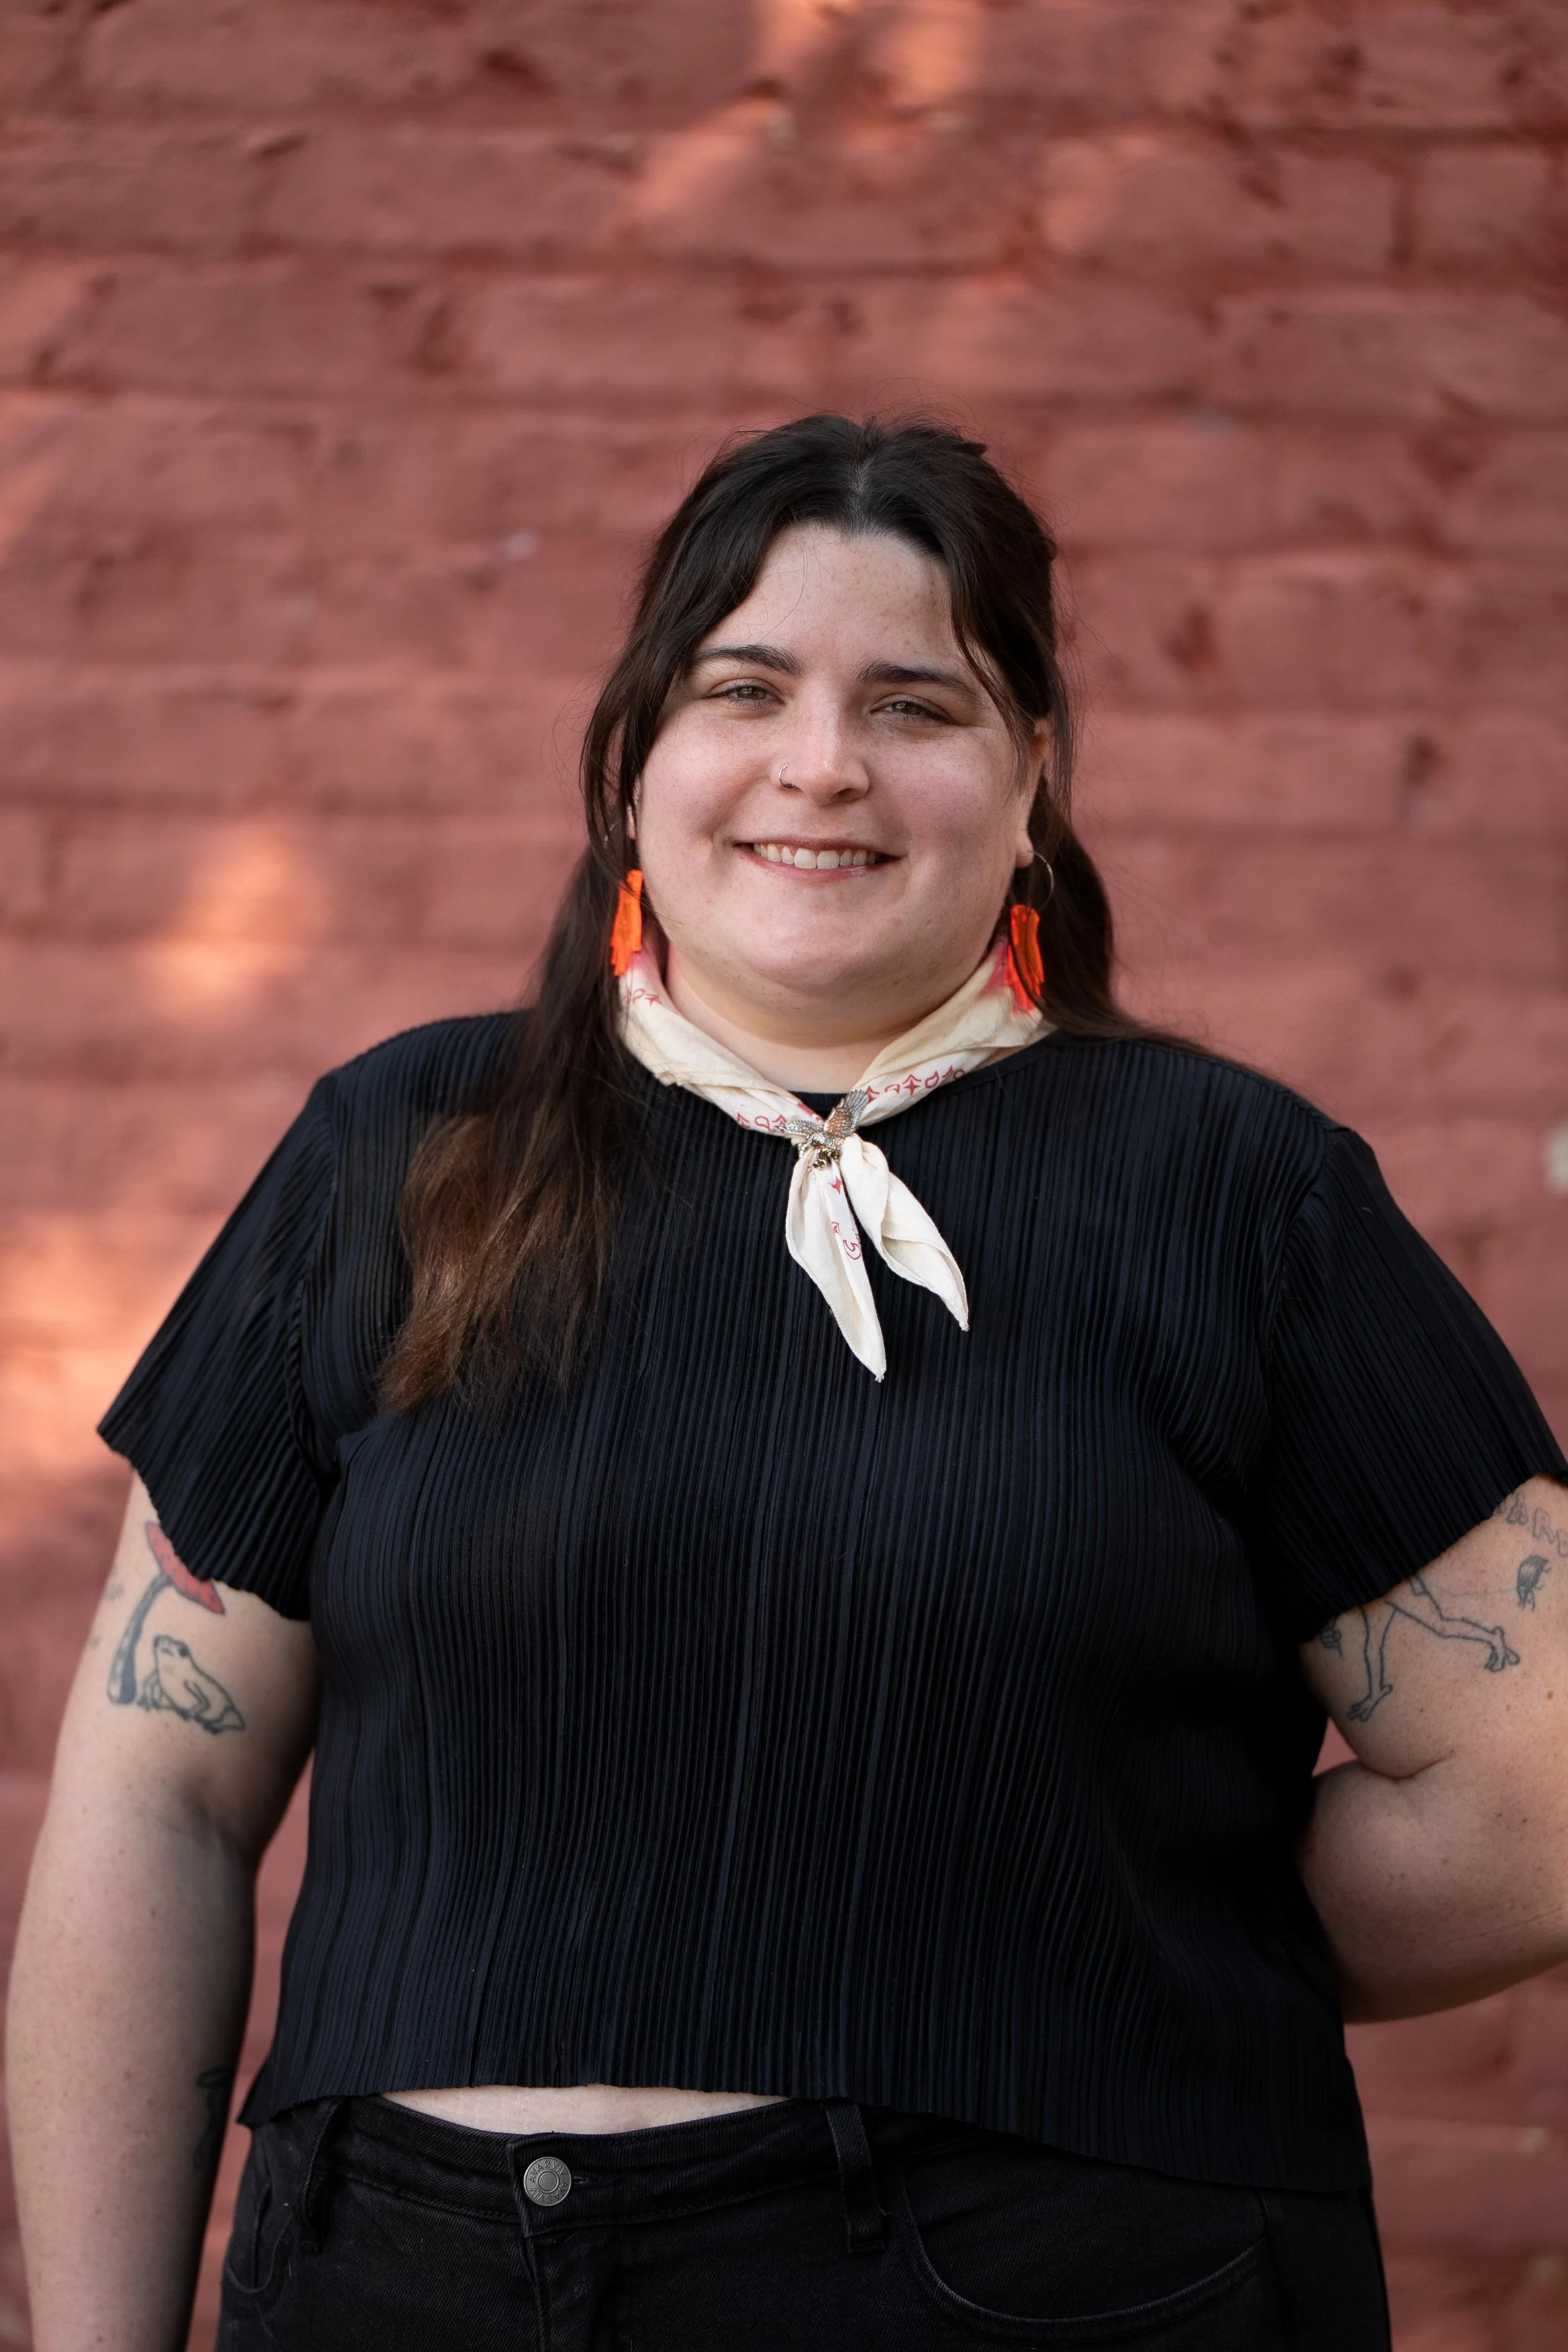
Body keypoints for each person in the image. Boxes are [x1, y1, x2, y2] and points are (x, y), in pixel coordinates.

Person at [9, 415, 1567, 2352]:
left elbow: (1534, 1793)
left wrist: (1111, 1935)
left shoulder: (1236, 1195)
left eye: (915, 703)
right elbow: (156, 1796)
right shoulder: (400, 1151)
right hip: (400, 2283)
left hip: (1035, 2284)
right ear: (635, 760)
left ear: (1031, 780)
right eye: (745, 688)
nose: (822, 762)